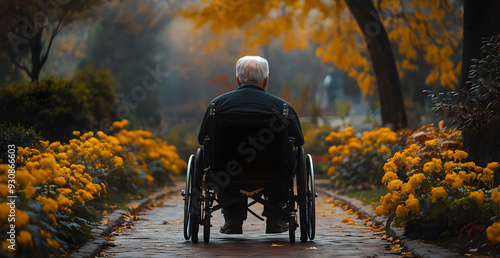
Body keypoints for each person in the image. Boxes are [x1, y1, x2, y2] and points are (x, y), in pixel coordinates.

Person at [197, 56, 304, 234]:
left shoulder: (217, 106)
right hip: (273, 174)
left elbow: (202, 140)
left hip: (227, 173)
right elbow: (299, 142)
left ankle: (233, 218)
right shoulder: (283, 108)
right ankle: (275, 218)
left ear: (238, 79)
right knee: (283, 166)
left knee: (222, 167)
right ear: (266, 81)